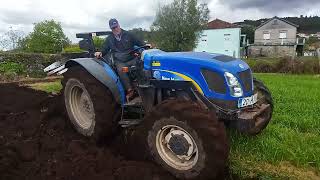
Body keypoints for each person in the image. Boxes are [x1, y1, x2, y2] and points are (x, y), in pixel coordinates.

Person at [95, 18, 145, 99]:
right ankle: (130, 90)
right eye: (113, 28)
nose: (115, 29)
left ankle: (143, 86)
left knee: (142, 65)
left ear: (119, 25)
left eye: (116, 26)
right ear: (111, 28)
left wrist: (147, 46)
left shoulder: (129, 34)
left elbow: (140, 43)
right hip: (120, 60)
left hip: (132, 57)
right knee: (121, 70)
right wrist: (100, 52)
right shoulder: (109, 39)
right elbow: (105, 49)